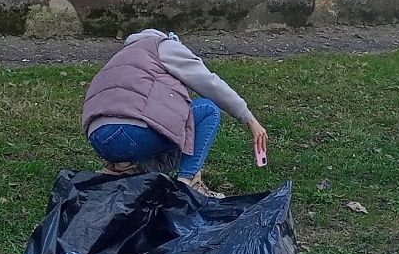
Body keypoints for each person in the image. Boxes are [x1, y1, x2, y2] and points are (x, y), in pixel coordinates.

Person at [82, 29, 269, 196]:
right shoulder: (164, 46)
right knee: (206, 110)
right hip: (130, 134)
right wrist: (249, 119)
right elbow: (209, 83)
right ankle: (188, 185)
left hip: (98, 138)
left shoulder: (123, 56)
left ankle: (124, 168)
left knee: (163, 118)